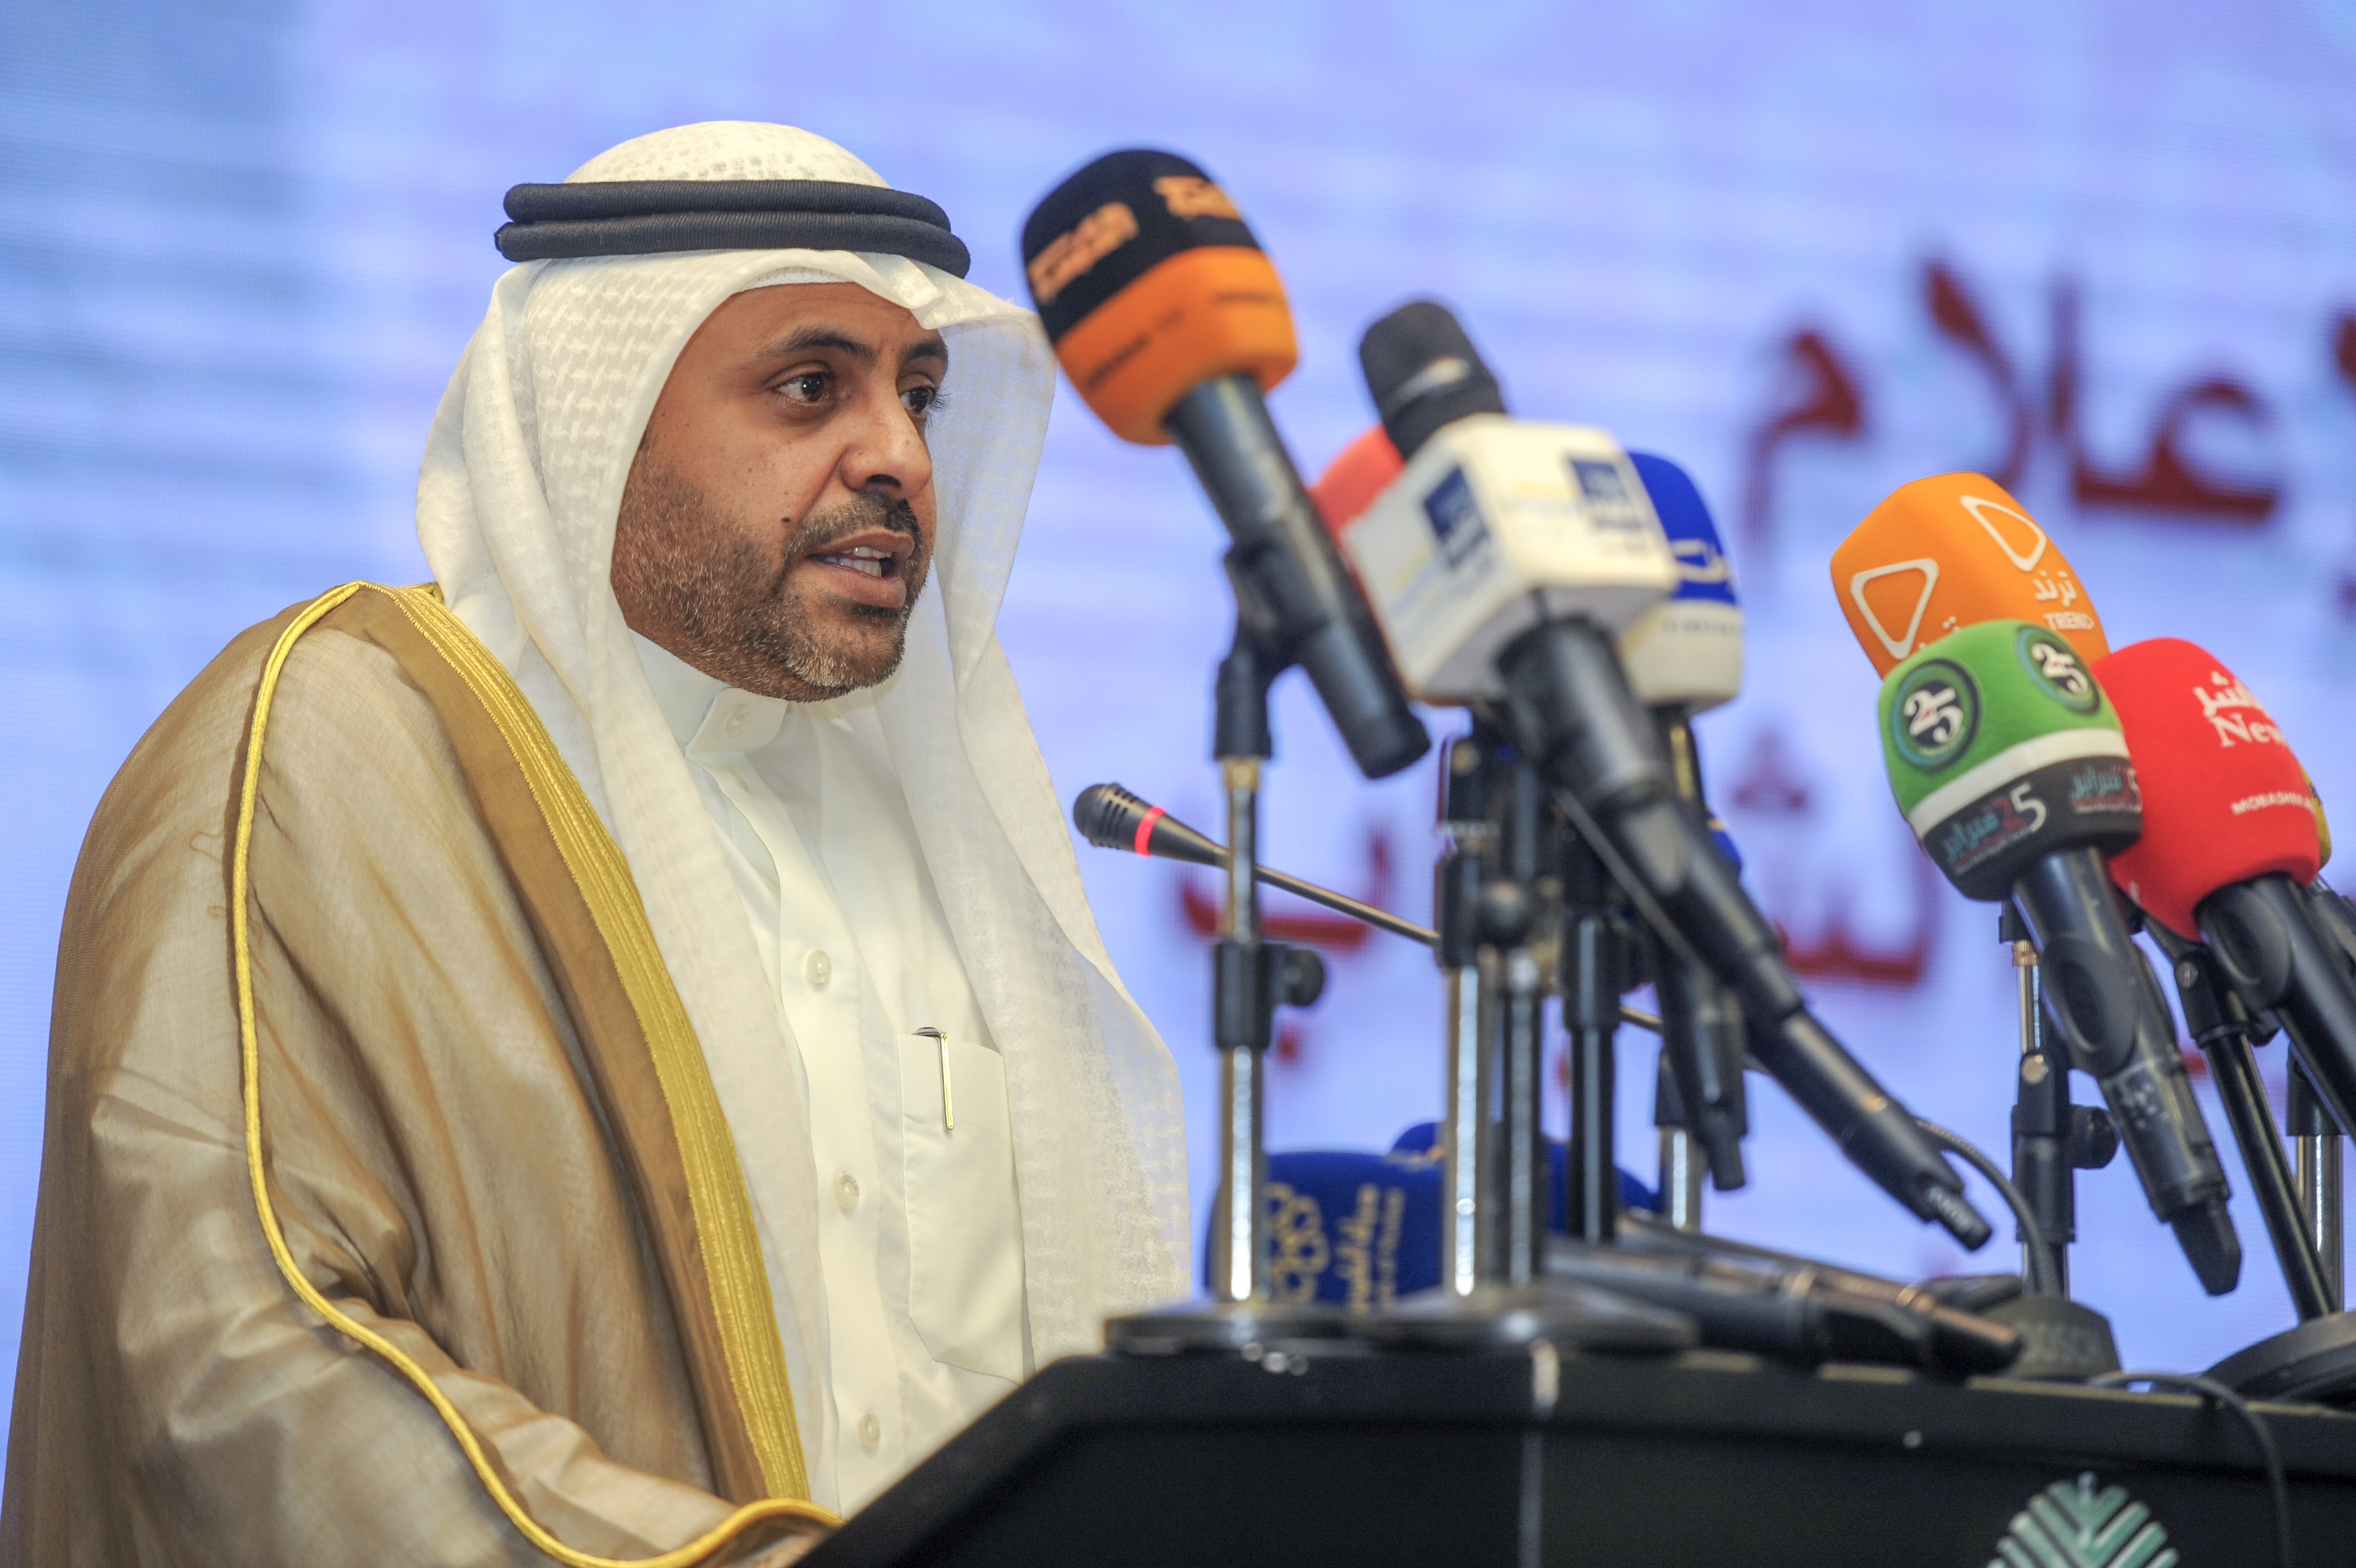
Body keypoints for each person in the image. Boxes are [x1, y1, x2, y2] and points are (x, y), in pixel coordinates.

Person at [2, 121, 1188, 1566]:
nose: (897, 457)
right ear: (595, 421)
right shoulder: (332, 752)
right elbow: (234, 1358)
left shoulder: (939, 838)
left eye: (920, 398)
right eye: (809, 387)